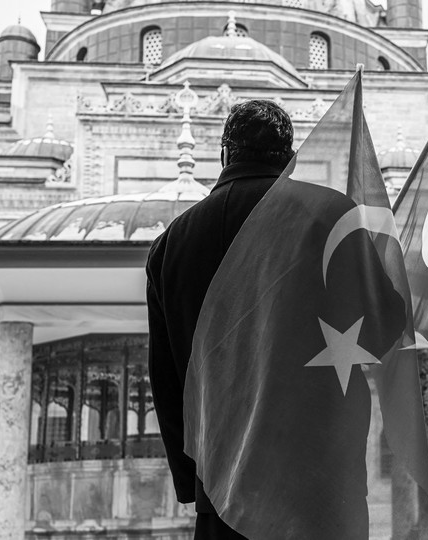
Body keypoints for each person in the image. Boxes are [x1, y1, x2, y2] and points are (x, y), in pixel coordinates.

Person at [145, 100, 295, 540]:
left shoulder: (171, 244)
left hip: (220, 475)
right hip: (314, 471)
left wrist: (189, 472)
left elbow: (166, 374)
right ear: (289, 157)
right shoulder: (326, 222)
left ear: (224, 156)